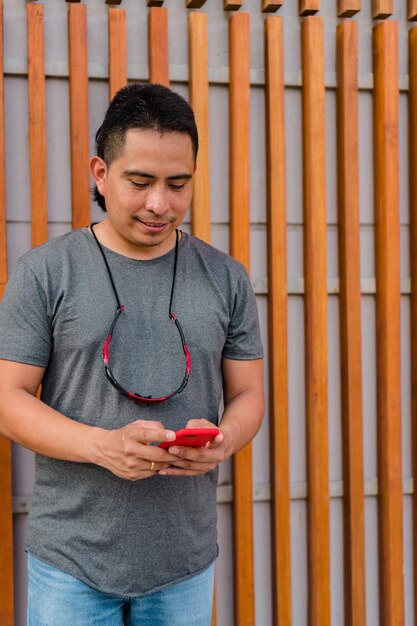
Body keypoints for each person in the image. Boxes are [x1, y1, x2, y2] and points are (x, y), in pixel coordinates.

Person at [0, 83, 264, 626]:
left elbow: (248, 393)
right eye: (139, 182)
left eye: (178, 184)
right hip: (70, 564)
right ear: (100, 173)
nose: (159, 204)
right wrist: (101, 446)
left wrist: (224, 440)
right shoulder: (45, 272)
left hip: (184, 562)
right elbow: (7, 399)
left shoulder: (226, 277)